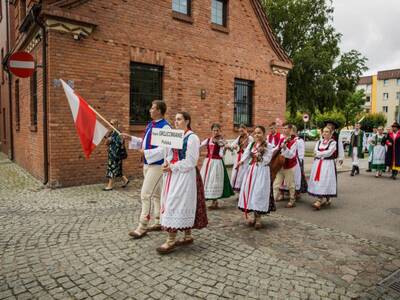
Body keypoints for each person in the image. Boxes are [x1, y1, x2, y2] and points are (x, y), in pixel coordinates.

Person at [156, 112, 208, 254]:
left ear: (187, 121)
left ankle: (170, 240)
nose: (176, 121)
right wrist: (167, 163)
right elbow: (170, 155)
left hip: (186, 175)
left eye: (179, 119)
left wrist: (173, 166)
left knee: (176, 202)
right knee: (178, 202)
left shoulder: (192, 137)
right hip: (173, 174)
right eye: (175, 119)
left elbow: (191, 161)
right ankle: (187, 235)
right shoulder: (174, 136)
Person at [124, 100, 171, 239]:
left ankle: (142, 225)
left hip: (157, 165)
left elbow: (165, 149)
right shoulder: (151, 125)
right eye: (151, 107)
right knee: (156, 194)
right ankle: (158, 220)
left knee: (145, 194)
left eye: (153, 108)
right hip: (148, 163)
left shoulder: (165, 128)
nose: (150, 110)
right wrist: (130, 137)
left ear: (160, 111)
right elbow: (146, 142)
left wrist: (146, 153)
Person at [236, 126, 273, 229]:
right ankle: (254, 216)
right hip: (251, 171)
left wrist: (260, 155)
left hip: (262, 171)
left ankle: (259, 218)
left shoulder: (269, 146)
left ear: (264, 134)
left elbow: (267, 160)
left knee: (258, 193)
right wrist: (241, 161)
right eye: (255, 133)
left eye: (259, 133)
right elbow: (246, 154)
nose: (257, 135)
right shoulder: (252, 144)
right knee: (251, 193)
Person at [200, 123, 234, 209]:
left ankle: (215, 201)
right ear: (212, 131)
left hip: (216, 163)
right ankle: (211, 200)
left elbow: (221, 155)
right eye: (214, 130)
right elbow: (199, 145)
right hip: (208, 162)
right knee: (206, 180)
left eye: (217, 130)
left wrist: (225, 148)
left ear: (220, 131)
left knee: (214, 180)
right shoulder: (208, 140)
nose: (216, 132)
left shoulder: (221, 141)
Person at [308, 127, 338, 210]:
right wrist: (320, 154)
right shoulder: (319, 142)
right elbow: (315, 151)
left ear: (331, 133)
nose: (325, 133)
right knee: (319, 180)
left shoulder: (333, 143)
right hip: (318, 164)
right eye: (324, 132)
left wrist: (318, 154)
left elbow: (328, 153)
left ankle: (319, 200)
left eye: (327, 132)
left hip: (327, 164)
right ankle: (326, 198)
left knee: (325, 180)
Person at [273, 123, 298, 208]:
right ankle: (272, 200)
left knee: (290, 184)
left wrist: (285, 148)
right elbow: (276, 148)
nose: (284, 129)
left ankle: (292, 200)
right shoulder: (282, 139)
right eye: (283, 128)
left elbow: (292, 155)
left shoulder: (295, 141)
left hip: (289, 165)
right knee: (276, 184)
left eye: (286, 128)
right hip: (280, 165)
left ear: (290, 130)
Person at [104, 119, 129, 191]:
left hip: (116, 155)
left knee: (112, 169)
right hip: (111, 154)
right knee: (118, 170)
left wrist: (112, 140)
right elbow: (106, 143)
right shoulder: (111, 133)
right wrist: (107, 139)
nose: (110, 125)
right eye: (110, 124)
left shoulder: (119, 133)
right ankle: (125, 180)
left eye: (112, 124)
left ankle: (110, 185)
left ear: (116, 125)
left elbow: (120, 143)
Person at [227, 124, 254, 192]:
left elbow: (251, 149)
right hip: (238, 157)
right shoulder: (239, 137)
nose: (241, 132)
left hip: (246, 159)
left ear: (246, 130)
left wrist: (239, 148)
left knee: (243, 173)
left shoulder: (250, 138)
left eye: (242, 131)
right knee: (236, 173)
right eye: (240, 131)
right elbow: (233, 144)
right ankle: (238, 191)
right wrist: (232, 146)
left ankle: (244, 190)